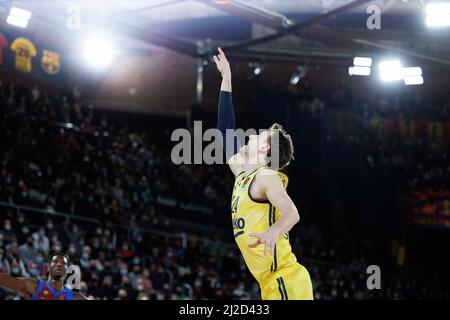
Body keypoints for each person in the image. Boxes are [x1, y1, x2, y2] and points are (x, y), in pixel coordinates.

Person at [213, 47, 313, 300]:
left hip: (285, 278)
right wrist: (227, 79)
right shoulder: (243, 175)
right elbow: (225, 131)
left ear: (266, 147)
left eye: (260, 135)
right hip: (269, 283)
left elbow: (292, 213)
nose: (253, 135)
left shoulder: (266, 178)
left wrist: (272, 232)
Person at [0, 251, 88, 300]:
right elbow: (4, 279)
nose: (59, 264)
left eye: (63, 263)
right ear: (48, 267)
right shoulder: (33, 286)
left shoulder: (75, 298)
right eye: (55, 262)